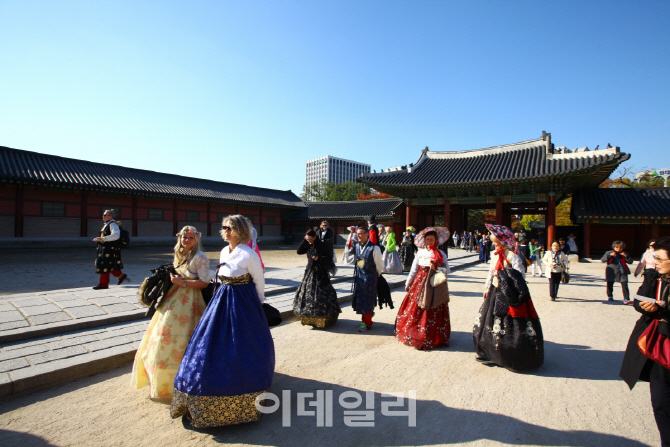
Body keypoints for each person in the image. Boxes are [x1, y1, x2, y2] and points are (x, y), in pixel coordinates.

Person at [171, 215, 274, 428]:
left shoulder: (248, 254)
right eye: (224, 227)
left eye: (229, 228)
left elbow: (259, 283)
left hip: (242, 303)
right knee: (208, 344)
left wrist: (256, 307)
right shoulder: (224, 251)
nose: (225, 231)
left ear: (240, 230)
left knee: (242, 346)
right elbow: (219, 276)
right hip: (221, 299)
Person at [131, 226, 211, 399]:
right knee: (162, 336)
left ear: (196, 239)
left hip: (191, 301)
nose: (187, 240)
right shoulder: (180, 254)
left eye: (190, 237)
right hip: (173, 298)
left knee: (184, 336)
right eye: (184, 237)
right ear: (180, 238)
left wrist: (182, 283)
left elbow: (204, 282)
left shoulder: (200, 257)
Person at [620, 237, 670, 446]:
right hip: (659, 345)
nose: (655, 262)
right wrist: (647, 306)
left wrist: (665, 308)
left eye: (659, 258)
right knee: (661, 402)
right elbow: (640, 299)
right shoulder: (655, 277)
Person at [473, 224, 544, 372]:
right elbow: (490, 272)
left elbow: (520, 276)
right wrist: (487, 286)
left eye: (495, 242)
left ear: (503, 242)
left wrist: (503, 276)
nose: (493, 244)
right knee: (489, 320)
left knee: (510, 323)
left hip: (509, 294)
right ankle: (490, 352)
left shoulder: (513, 256)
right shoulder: (495, 255)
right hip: (495, 290)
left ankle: (509, 354)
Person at [395, 227, 451, 350]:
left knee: (433, 307)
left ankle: (433, 336)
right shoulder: (420, 253)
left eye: (431, 239)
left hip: (434, 284)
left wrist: (437, 267)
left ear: (436, 240)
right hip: (419, 283)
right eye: (427, 239)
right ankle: (415, 335)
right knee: (416, 307)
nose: (429, 242)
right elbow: (414, 269)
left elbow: (448, 270)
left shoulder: (441, 254)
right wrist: (408, 282)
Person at [293, 229, 341, 328]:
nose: (309, 241)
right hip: (310, 271)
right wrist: (305, 240)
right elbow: (299, 251)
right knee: (306, 294)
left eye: (310, 239)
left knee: (322, 295)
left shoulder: (322, 245)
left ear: (315, 237)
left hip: (321, 273)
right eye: (307, 239)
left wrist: (319, 258)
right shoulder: (307, 244)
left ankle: (324, 318)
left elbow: (329, 258)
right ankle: (309, 317)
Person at [344, 222, 383, 332]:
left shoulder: (374, 248)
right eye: (358, 233)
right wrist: (361, 269)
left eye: (361, 233)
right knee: (361, 300)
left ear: (367, 234)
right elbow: (360, 260)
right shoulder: (357, 246)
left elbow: (379, 263)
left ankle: (366, 323)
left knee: (367, 301)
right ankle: (367, 317)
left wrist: (376, 274)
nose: (359, 235)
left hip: (370, 278)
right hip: (360, 277)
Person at [92, 209, 127, 289]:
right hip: (105, 248)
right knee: (108, 265)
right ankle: (120, 276)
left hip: (109, 249)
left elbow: (115, 236)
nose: (103, 217)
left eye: (104, 215)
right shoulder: (107, 224)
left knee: (105, 265)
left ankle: (103, 284)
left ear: (110, 216)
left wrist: (102, 239)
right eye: (103, 215)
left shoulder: (113, 225)